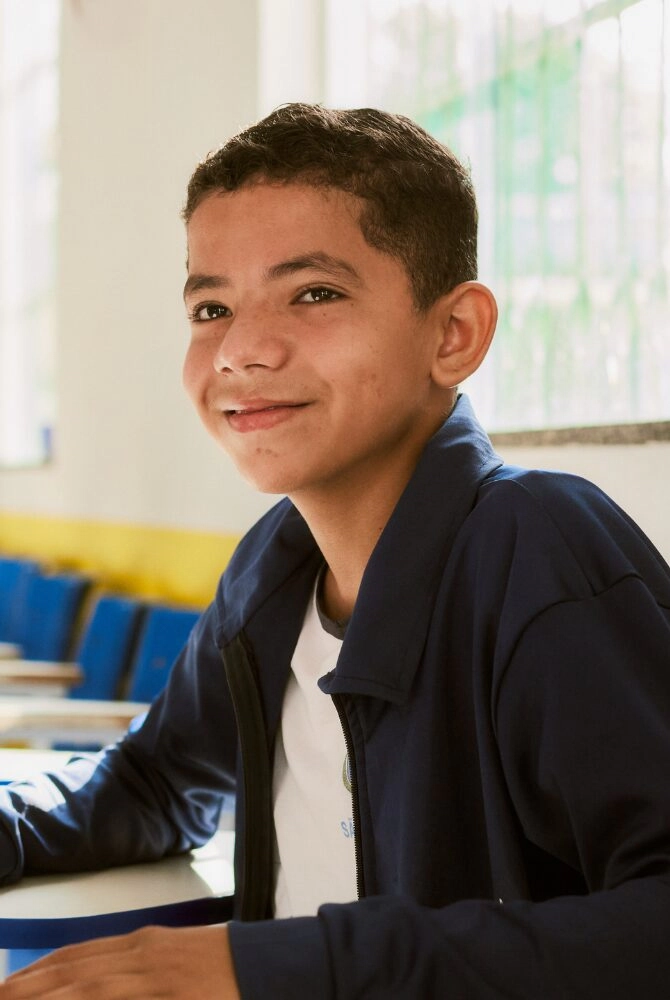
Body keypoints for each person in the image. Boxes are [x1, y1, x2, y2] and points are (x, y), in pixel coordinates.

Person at [0, 103, 669, 999]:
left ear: (454, 334)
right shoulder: (274, 568)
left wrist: (272, 966)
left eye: (314, 293)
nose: (241, 350)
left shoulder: (536, 550)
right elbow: (155, 784)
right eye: (211, 307)